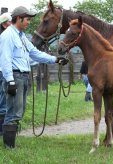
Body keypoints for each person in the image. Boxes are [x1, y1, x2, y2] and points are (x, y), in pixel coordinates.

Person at [0, 6, 69, 149]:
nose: (29, 22)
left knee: (19, 110)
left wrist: (55, 59)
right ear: (18, 19)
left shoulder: (22, 36)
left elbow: (35, 53)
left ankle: (10, 143)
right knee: (13, 111)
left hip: (23, 77)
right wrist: (10, 80)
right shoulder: (7, 36)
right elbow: (5, 60)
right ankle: (9, 146)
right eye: (27, 19)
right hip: (15, 76)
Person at [0, 12, 12, 136]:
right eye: (10, 22)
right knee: (3, 101)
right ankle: (2, 131)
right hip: (2, 71)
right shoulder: (5, 37)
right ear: (4, 24)